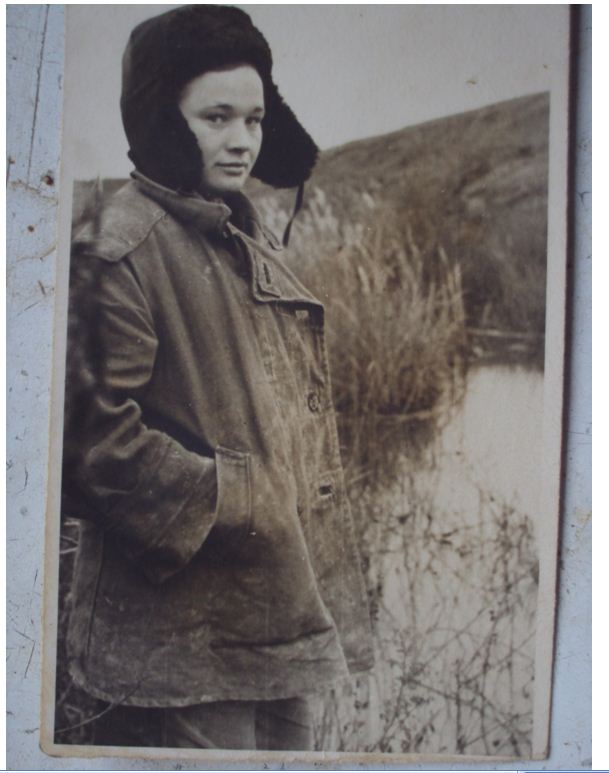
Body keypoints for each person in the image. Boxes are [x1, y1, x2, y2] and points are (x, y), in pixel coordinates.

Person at [61, 4, 374, 752]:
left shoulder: (233, 232)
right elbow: (86, 436)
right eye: (216, 117)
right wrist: (237, 498)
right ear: (163, 120)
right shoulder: (122, 248)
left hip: (274, 606)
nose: (241, 140)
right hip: (182, 639)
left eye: (255, 119)